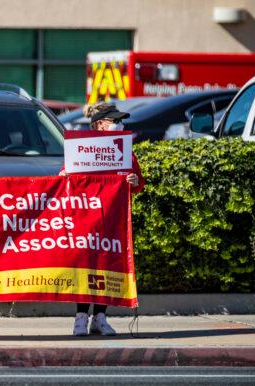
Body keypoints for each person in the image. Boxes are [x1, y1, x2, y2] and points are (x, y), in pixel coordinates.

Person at [60, 102, 145, 336]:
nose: (120, 124)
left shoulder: (124, 149)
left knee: (108, 267)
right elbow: (65, 181)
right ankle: (80, 318)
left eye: (120, 120)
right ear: (100, 124)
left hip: (114, 222)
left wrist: (134, 182)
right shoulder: (81, 149)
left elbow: (138, 183)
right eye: (114, 120)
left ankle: (100, 317)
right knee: (85, 268)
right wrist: (64, 175)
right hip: (86, 221)